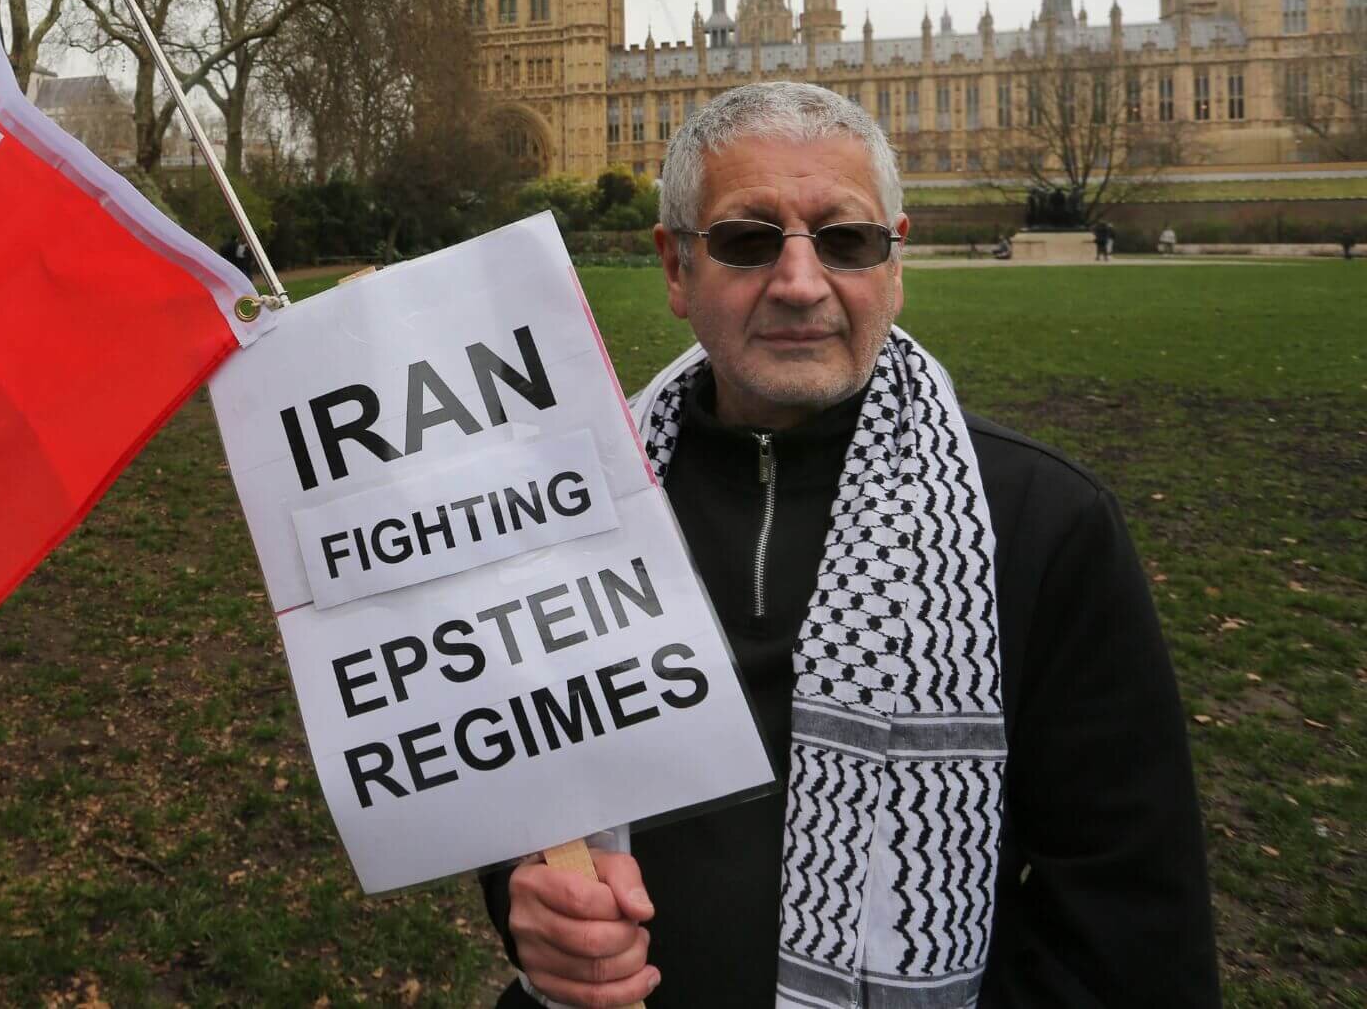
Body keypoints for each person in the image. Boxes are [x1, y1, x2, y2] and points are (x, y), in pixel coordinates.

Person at [480, 83, 1216, 1007]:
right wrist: (526, 899)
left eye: (846, 240)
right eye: (748, 241)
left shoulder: (1042, 524)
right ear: (675, 269)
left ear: (894, 264)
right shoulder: (567, 511)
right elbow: (520, 780)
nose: (800, 283)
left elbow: (1130, 925)